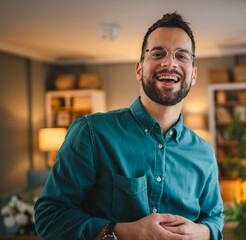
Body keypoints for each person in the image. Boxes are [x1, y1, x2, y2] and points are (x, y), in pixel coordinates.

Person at [35, 12, 224, 240]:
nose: (169, 62)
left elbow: (214, 217)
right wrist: (120, 231)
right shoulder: (91, 133)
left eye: (182, 56)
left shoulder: (204, 152)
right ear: (139, 68)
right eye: (158, 53)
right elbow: (49, 217)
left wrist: (202, 232)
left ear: (193, 75)